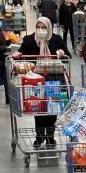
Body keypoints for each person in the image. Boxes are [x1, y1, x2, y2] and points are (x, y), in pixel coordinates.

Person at [19, 16, 67, 147]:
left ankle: (50, 136)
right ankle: (39, 137)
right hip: (35, 81)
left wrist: (62, 53)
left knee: (52, 108)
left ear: (49, 28)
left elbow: (67, 55)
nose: (41, 30)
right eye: (38, 27)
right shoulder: (29, 40)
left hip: (54, 79)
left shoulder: (56, 39)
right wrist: (17, 55)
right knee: (38, 109)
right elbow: (21, 53)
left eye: (44, 27)